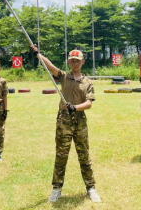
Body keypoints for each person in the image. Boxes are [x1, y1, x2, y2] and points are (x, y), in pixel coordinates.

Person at [33, 46, 101, 204]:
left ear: (83, 62)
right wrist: (38, 54)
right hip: (64, 121)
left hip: (80, 121)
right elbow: (50, 66)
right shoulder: (64, 77)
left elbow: (89, 103)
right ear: (69, 62)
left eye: (78, 61)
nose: (75, 63)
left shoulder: (88, 82)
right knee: (61, 156)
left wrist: (75, 107)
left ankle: (91, 188)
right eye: (72, 61)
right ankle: (56, 189)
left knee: (84, 155)